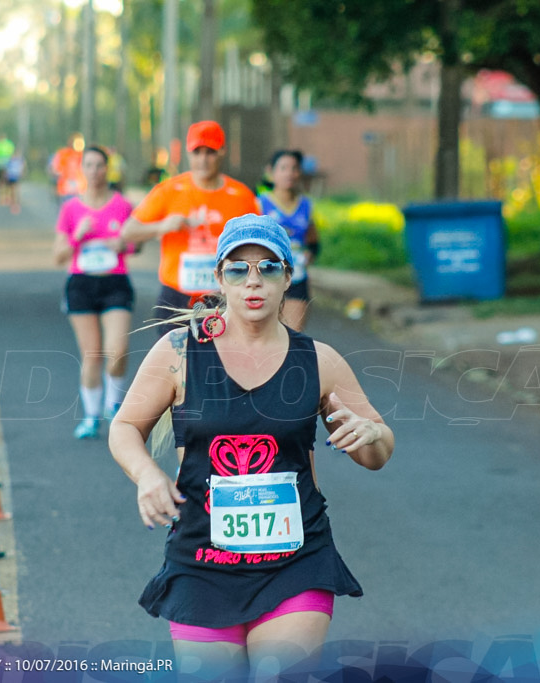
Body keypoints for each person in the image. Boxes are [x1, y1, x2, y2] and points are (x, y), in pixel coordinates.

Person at [109, 214, 394, 680]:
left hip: (296, 563)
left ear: (288, 278)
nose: (253, 281)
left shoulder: (319, 360)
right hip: (202, 560)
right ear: (219, 278)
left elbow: (378, 452)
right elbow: (124, 429)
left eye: (268, 267)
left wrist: (373, 434)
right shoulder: (179, 352)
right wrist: (146, 475)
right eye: (238, 269)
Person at [121, 121, 258, 337]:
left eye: (210, 152)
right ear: (188, 153)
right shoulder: (169, 190)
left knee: (219, 366)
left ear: (222, 151)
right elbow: (128, 231)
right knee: (177, 364)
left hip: (224, 296)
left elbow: (259, 245)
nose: (203, 159)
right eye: (197, 152)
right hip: (177, 294)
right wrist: (163, 226)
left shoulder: (241, 196)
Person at [54, 146, 136, 439]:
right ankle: (91, 416)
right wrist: (78, 235)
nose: (95, 170)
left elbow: (137, 243)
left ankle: (113, 405)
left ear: (107, 169)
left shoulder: (123, 206)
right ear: (82, 170)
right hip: (81, 284)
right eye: (89, 165)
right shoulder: (71, 209)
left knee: (117, 350)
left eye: (100, 165)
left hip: (115, 283)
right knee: (92, 354)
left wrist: (124, 245)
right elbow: (58, 255)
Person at [257, 150, 320, 331]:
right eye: (283, 168)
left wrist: (310, 254)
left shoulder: (306, 205)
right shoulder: (259, 204)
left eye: (294, 168)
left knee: (292, 336)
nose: (289, 173)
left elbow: (314, 242)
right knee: (265, 335)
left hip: (296, 278)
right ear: (271, 172)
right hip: (266, 278)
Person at [50, 133, 86, 205]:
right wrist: (59, 173)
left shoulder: (85, 155)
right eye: (77, 142)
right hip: (66, 190)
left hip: (81, 190)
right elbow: (54, 169)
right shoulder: (63, 154)